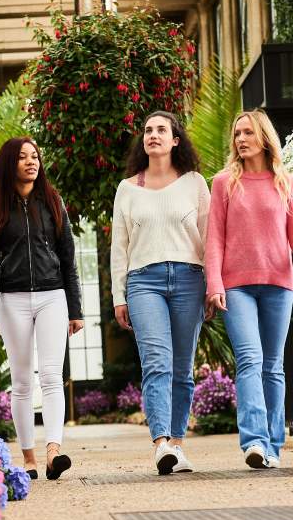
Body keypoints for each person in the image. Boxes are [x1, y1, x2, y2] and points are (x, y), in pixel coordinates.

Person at [0, 136, 83, 480]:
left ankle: (54, 452)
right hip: (12, 301)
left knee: (52, 376)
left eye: (34, 156)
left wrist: (75, 308)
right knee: (22, 382)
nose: (31, 161)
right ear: (10, 164)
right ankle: (30, 459)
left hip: (53, 296)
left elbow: (68, 258)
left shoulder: (53, 202)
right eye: (23, 157)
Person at [110, 111, 210, 475]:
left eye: (161, 130)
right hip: (143, 282)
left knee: (182, 369)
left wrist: (213, 285)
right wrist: (118, 296)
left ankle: (177, 446)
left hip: (189, 279)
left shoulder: (195, 183)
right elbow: (119, 247)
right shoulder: (127, 189)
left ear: (175, 140)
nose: (153, 135)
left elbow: (210, 238)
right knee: (156, 362)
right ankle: (160, 443)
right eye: (148, 130)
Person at [206, 109, 293, 469]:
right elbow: (214, 238)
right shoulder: (224, 182)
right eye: (237, 134)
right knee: (250, 360)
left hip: (279, 284)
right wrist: (214, 283)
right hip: (237, 286)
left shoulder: (284, 182)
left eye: (247, 133)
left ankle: (273, 444)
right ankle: (254, 442)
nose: (240, 139)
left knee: (273, 366)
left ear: (263, 137)